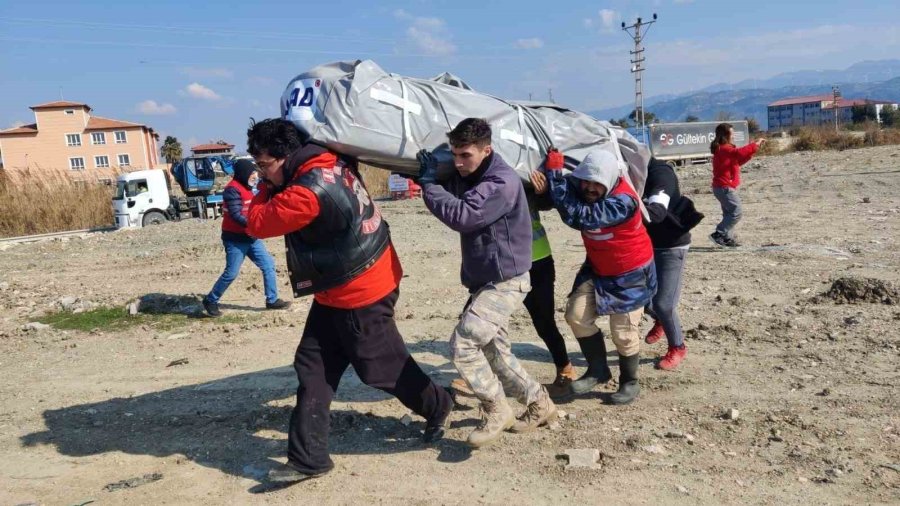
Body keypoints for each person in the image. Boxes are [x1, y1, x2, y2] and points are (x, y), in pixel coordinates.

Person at [244, 119, 453, 483]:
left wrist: (263, 185)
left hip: (362, 291)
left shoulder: (304, 194)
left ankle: (439, 404)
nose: (261, 172)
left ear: (286, 156)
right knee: (312, 364)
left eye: (264, 164)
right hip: (340, 285)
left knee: (381, 370)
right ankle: (309, 459)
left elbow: (256, 222)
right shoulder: (327, 157)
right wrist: (270, 176)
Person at [417, 118, 557, 448]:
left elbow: (464, 216)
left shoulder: (501, 182)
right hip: (484, 281)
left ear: (487, 149)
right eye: (454, 154)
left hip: (506, 281)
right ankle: (540, 404)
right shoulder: (471, 173)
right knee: (496, 356)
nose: (458, 162)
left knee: (464, 344)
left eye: (465, 155)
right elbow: (453, 193)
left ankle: (496, 409)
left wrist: (428, 185)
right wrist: (428, 176)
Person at [544, 147, 656, 405]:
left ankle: (630, 381)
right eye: (586, 180)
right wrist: (551, 176)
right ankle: (598, 370)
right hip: (597, 266)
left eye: (597, 183)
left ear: (609, 180)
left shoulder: (623, 201)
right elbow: (561, 193)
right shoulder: (582, 189)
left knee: (624, 332)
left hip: (630, 273)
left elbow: (578, 216)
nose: (590, 188)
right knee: (576, 315)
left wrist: (553, 175)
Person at [202, 159, 290, 317]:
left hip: (251, 237)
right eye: (252, 173)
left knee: (268, 265)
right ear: (243, 173)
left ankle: (272, 300)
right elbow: (236, 214)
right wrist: (254, 226)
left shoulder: (250, 188)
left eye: (255, 173)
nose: (254, 176)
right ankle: (211, 300)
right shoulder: (232, 189)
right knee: (231, 272)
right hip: (235, 239)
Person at [642, 158, 704, 370]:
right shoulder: (629, 174)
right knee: (639, 296)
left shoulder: (661, 174)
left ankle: (678, 346)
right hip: (646, 245)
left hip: (671, 246)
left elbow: (657, 212)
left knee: (664, 304)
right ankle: (660, 321)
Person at [709, 123, 766, 247]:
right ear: (725, 135)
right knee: (737, 212)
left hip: (722, 187)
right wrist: (755, 144)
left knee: (729, 214)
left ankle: (726, 239)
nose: (733, 136)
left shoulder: (724, 149)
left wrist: (752, 151)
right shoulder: (724, 149)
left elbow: (737, 161)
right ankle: (719, 233)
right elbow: (739, 153)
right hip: (724, 187)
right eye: (731, 133)